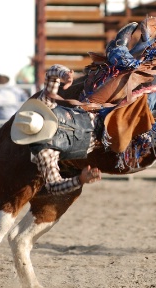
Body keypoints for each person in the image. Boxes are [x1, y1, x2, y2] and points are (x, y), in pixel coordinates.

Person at [11, 64, 101, 196]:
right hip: (99, 140)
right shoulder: (44, 153)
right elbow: (54, 187)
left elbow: (52, 72)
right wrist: (80, 180)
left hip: (97, 115)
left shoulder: (45, 103)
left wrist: (64, 75)